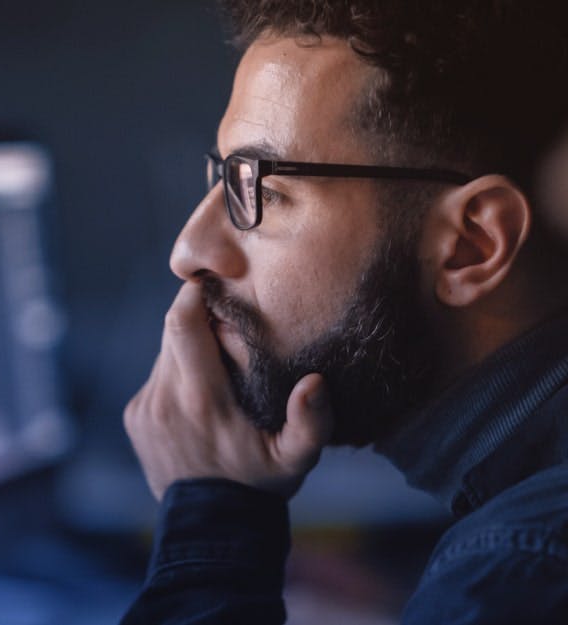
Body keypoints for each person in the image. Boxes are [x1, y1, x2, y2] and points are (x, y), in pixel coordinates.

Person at [121, 1, 568, 623]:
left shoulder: (521, 571)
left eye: (262, 190)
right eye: (221, 178)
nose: (189, 250)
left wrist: (210, 525)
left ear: (472, 246)